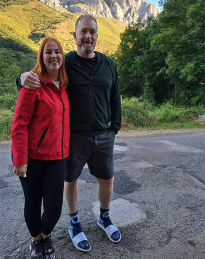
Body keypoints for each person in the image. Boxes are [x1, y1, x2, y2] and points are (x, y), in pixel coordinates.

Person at [18, 14, 122, 252]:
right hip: (74, 136)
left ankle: (104, 217)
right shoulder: (67, 62)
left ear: (97, 36)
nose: (88, 36)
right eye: (83, 31)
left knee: (107, 178)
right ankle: (74, 223)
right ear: (75, 36)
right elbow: (44, 72)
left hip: (104, 134)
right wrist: (21, 78)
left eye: (92, 32)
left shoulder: (108, 64)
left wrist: (114, 126)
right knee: (70, 179)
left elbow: (115, 95)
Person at [11, 37, 70, 259]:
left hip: (58, 156)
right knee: (33, 203)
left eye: (57, 52)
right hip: (32, 158)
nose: (54, 56)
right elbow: (19, 124)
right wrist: (19, 159)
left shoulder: (64, 86)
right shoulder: (33, 84)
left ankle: (46, 235)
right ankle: (36, 241)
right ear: (42, 57)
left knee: (54, 207)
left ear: (62, 56)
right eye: (49, 52)